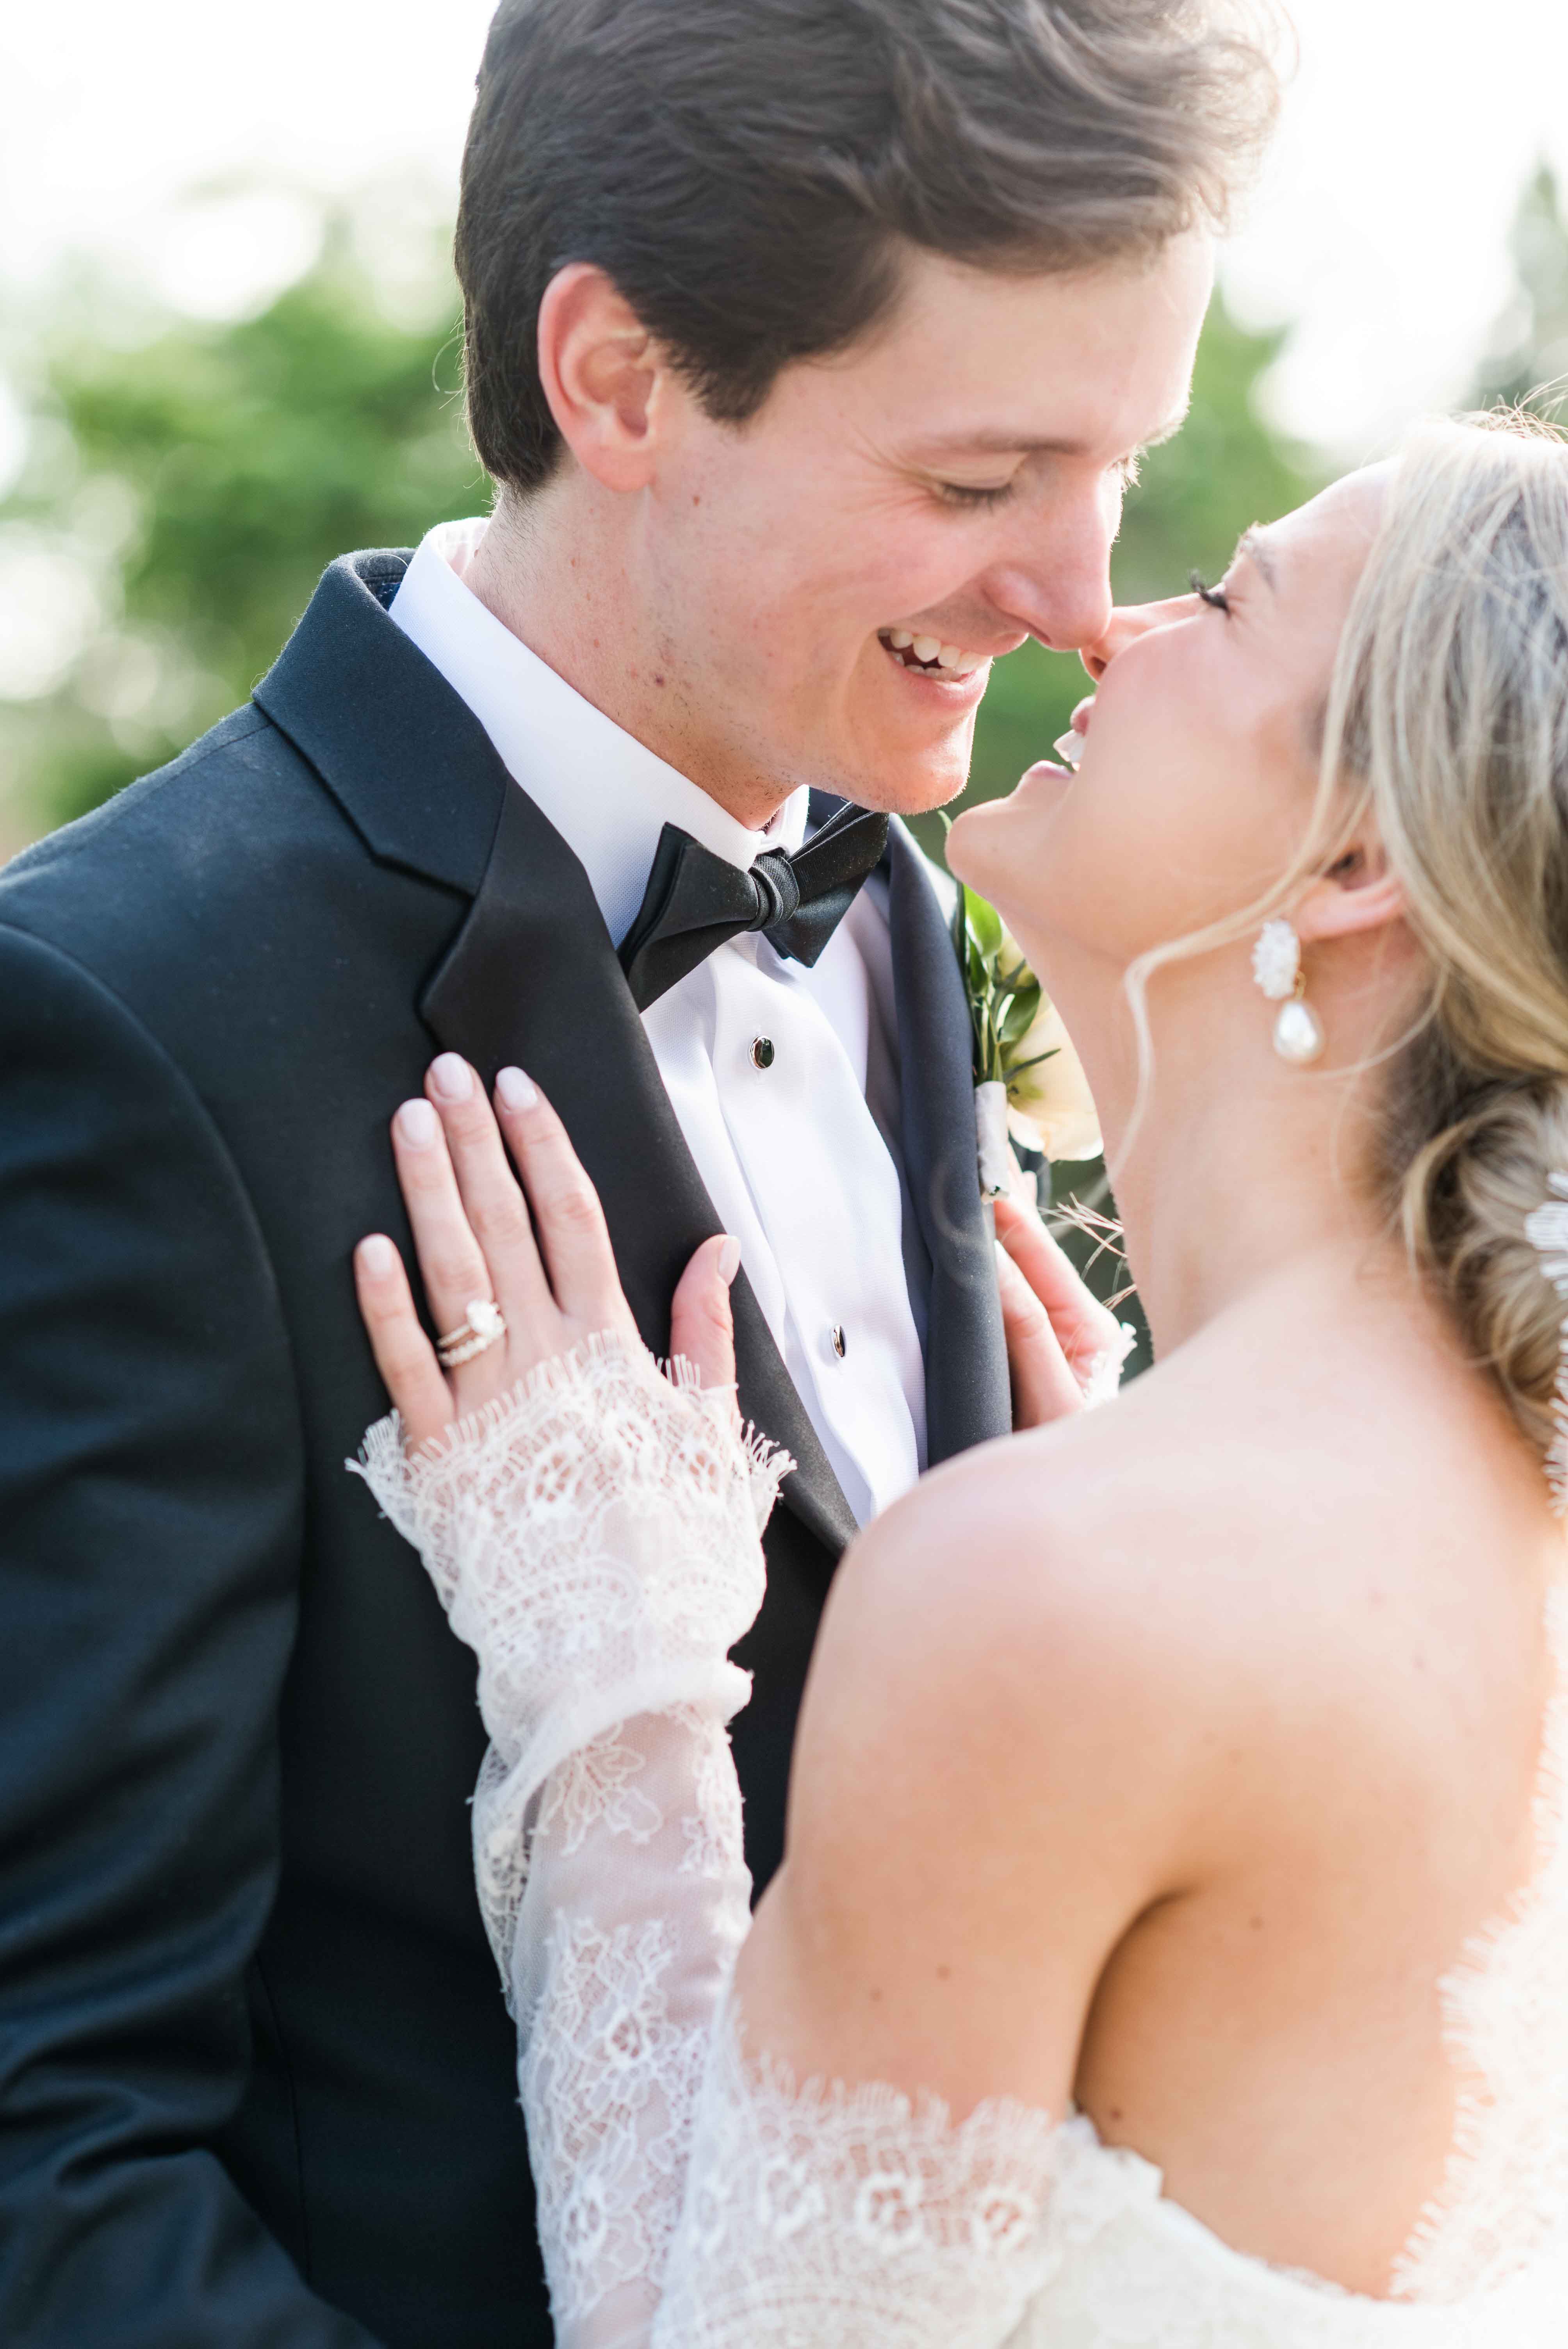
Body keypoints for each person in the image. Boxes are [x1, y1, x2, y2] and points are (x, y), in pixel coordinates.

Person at [0, 1, 1281, 2343]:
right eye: (987, 479)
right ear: (617, 380)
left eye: (1125, 467)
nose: (1087, 603)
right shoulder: (112, 1027)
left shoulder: (911, 895)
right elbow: (47, 2147)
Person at [353, 412, 1568, 2345]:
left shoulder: (1059, 1592)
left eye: (1228, 603)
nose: (1106, 621)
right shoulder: (1479, 1523)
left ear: (1352, 857)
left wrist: (609, 1670)